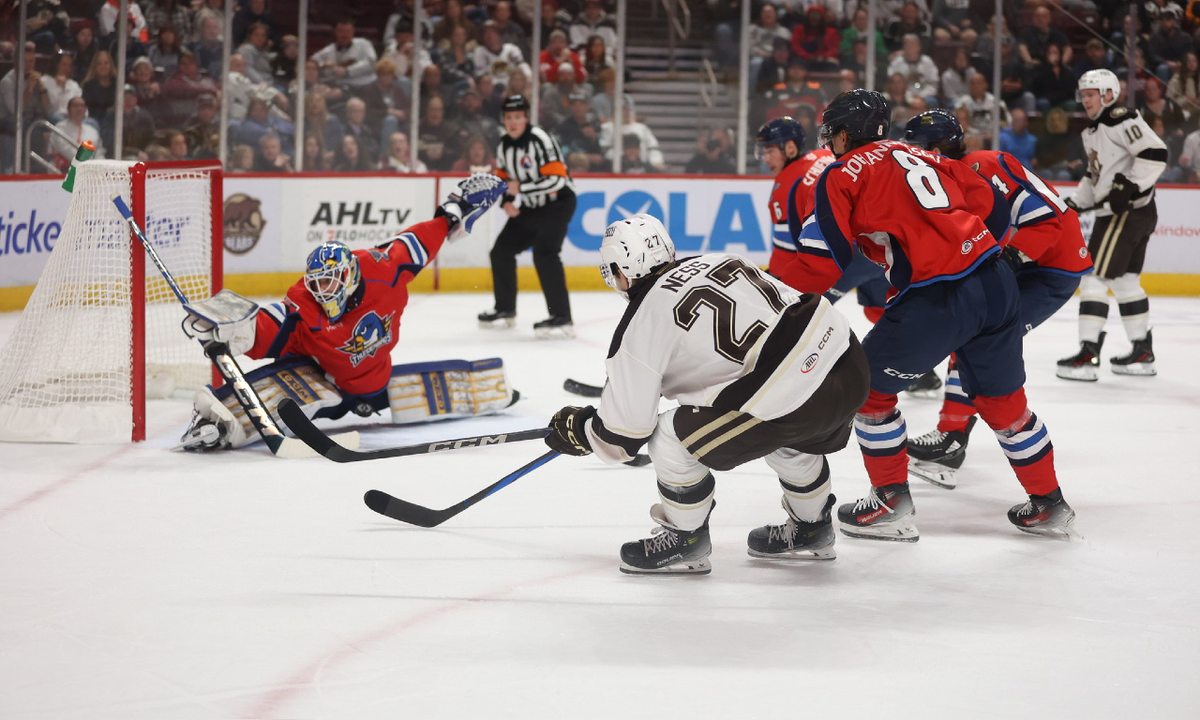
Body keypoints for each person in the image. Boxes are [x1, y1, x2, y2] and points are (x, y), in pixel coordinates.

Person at [776, 89, 1076, 540]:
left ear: (844, 133)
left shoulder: (840, 174)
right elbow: (985, 201)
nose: (830, 141)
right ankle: (1050, 502)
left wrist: (780, 304)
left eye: (832, 133)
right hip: (996, 282)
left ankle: (891, 501)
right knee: (1004, 405)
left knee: (869, 390)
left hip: (940, 296)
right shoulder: (919, 153)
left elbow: (823, 262)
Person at [543, 214, 870, 574]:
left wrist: (584, 430)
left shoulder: (640, 323)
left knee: (669, 437)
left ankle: (685, 538)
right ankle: (812, 527)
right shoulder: (720, 259)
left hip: (794, 397)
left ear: (623, 269)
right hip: (845, 360)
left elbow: (622, 438)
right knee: (781, 431)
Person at [177, 176, 508, 452]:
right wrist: (236, 331)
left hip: (374, 379)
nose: (322, 291)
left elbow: (422, 239)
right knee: (294, 380)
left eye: (329, 281)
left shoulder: (386, 269)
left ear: (349, 276)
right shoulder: (303, 302)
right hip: (321, 379)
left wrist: (454, 212)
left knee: (372, 385)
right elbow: (274, 326)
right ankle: (216, 424)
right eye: (316, 283)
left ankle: (371, 395)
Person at [902, 108, 1091, 488]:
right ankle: (953, 438)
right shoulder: (951, 176)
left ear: (937, 148)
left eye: (917, 149)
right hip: (1034, 266)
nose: (910, 158)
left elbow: (1047, 219)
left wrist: (1006, 260)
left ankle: (953, 438)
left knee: (979, 337)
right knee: (971, 334)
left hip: (1051, 267)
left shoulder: (983, 166)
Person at [1058, 69, 1169, 380]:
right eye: (1083, 95)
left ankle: (1088, 353)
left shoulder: (1120, 118)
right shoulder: (1092, 131)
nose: (1085, 100)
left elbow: (1155, 152)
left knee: (1093, 278)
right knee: (1125, 282)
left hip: (1125, 214)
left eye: (1091, 94)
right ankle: (1142, 352)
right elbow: (1095, 176)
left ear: (1108, 94)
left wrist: (1128, 186)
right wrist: (1074, 205)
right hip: (1137, 213)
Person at [478, 96, 577, 337]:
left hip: (558, 204)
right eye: (508, 118)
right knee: (500, 252)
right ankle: (505, 310)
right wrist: (507, 201)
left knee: (545, 254)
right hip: (532, 207)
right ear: (504, 120)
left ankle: (561, 317)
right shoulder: (503, 145)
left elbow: (557, 179)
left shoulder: (540, 139)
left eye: (517, 117)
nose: (513, 122)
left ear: (526, 118)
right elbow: (503, 179)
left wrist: (519, 189)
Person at [311, 19, 378, 92]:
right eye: (341, 31)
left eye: (347, 31)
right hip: (339, 88)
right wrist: (324, 65)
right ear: (335, 32)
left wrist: (348, 71)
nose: (344, 34)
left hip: (364, 85)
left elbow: (371, 62)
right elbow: (312, 62)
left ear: (353, 32)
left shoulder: (364, 44)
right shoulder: (328, 50)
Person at [51, 96, 105, 167]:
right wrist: (87, 162)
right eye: (75, 106)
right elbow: (66, 150)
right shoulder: (60, 128)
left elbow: (99, 152)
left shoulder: (92, 130)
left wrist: (101, 166)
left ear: (86, 109)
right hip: (64, 169)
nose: (79, 109)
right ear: (68, 109)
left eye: (82, 106)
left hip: (89, 169)